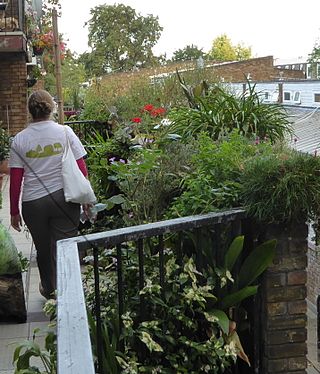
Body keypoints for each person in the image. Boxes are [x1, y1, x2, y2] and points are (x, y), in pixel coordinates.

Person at [9, 89, 89, 299]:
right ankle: (68, 289)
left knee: (43, 249)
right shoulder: (65, 132)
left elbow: (16, 178)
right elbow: (81, 167)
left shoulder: (19, 140)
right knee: (64, 247)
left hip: (33, 203)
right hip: (65, 198)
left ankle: (49, 288)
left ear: (30, 111)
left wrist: (13, 211)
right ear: (52, 108)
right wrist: (87, 198)